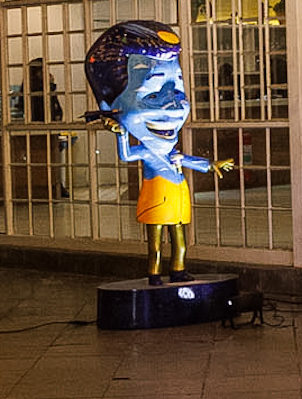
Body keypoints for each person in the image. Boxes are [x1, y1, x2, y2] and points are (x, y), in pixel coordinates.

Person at [85, 21, 230, 280]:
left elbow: (188, 160)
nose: (174, 107)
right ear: (112, 106)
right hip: (156, 199)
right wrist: (121, 134)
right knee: (155, 245)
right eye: (151, 96)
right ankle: (154, 275)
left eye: (178, 91)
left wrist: (211, 165)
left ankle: (178, 271)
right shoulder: (147, 153)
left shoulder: (172, 155)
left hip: (177, 198)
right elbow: (127, 155)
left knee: (181, 243)